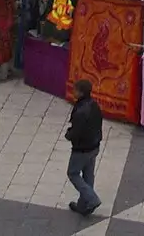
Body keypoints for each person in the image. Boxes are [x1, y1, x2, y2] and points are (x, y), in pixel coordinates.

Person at [64, 77, 103, 216]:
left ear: (81, 93)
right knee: (88, 174)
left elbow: (77, 131)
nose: (73, 92)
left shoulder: (81, 111)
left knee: (73, 173)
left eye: (75, 90)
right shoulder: (94, 105)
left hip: (82, 149)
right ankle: (83, 204)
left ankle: (92, 199)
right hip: (94, 146)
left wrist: (68, 135)